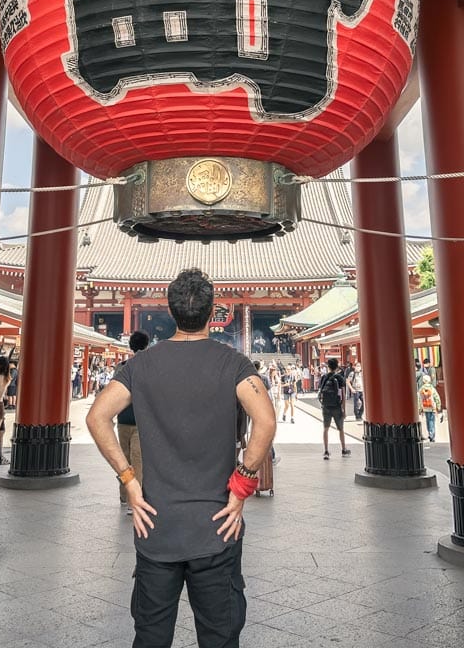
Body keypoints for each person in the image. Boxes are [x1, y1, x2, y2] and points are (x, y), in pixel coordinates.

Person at [86, 268, 276, 648]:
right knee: (219, 638)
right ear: (212, 312)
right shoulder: (234, 363)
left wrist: (129, 481)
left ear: (171, 312)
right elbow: (266, 422)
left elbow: (96, 417)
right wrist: (239, 488)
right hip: (216, 529)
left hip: (156, 529)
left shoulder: (140, 365)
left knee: (152, 636)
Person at [117, 330, 149, 514]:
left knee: (124, 460)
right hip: (140, 421)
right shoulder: (150, 368)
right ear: (146, 346)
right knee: (137, 462)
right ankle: (131, 499)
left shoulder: (121, 368)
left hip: (122, 419)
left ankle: (125, 496)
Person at [318, 357, 351, 459]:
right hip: (337, 406)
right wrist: (344, 410)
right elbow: (343, 395)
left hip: (326, 406)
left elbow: (320, 392)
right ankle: (344, 449)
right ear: (337, 366)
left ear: (328, 366)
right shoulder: (340, 378)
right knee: (341, 429)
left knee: (326, 429)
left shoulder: (324, 377)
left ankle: (326, 451)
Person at [418, 373, 442, 442]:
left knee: (428, 421)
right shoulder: (432, 388)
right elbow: (437, 398)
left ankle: (429, 433)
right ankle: (432, 435)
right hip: (432, 407)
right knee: (432, 421)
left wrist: (420, 408)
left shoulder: (421, 389)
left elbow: (419, 399)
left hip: (425, 407)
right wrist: (438, 406)